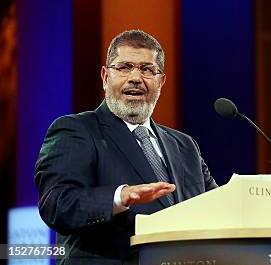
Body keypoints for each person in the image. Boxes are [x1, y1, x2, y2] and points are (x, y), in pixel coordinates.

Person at [35, 30, 218, 264]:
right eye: (124, 67)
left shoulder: (185, 145)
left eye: (147, 69)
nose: (135, 77)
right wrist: (120, 196)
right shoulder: (76, 130)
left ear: (161, 81)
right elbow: (57, 203)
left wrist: (249, 196)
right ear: (105, 77)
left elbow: (214, 205)